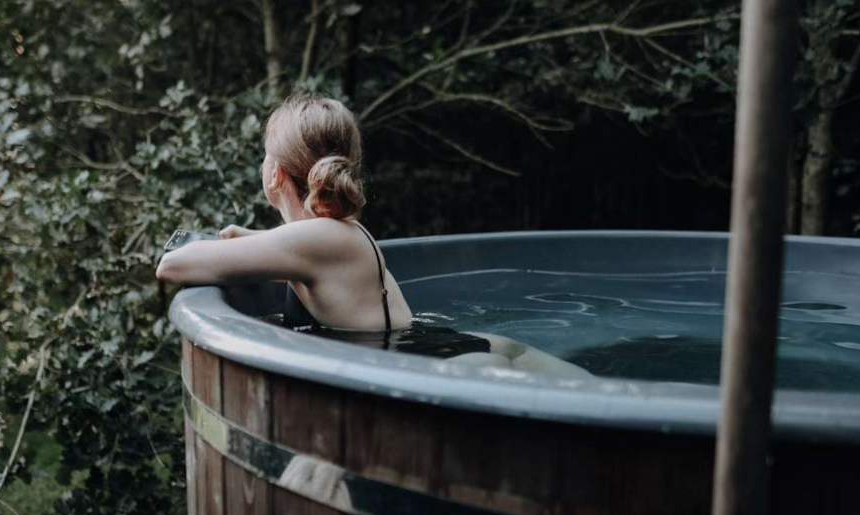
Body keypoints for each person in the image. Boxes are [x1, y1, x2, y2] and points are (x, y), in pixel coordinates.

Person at [156, 94, 588, 376]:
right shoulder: (332, 235)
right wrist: (249, 239)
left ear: (275, 173)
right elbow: (298, 255)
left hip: (458, 367)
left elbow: (171, 265)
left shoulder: (316, 241)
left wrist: (228, 245)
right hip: (460, 349)